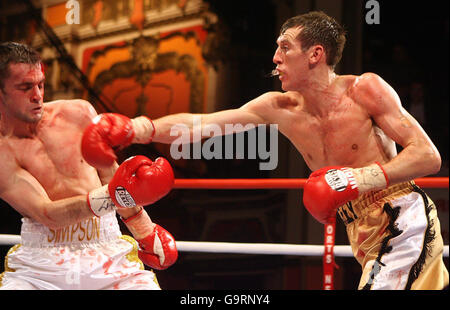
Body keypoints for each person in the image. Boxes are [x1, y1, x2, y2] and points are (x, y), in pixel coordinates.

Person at [86, 11, 449, 290]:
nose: (275, 58)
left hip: (402, 215)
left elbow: (427, 155)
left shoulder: (364, 90)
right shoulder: (280, 107)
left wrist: (360, 177)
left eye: (285, 47)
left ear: (315, 54)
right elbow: (204, 124)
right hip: (358, 229)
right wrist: (138, 128)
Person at [0, 41, 178, 290]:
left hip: (107, 250)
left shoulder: (77, 113)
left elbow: (111, 177)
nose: (37, 95)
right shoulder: (2, 153)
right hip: (41, 265)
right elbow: (46, 213)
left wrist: (143, 228)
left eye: (40, 84)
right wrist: (113, 194)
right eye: (25, 87)